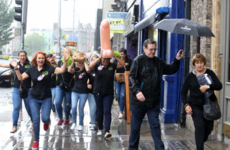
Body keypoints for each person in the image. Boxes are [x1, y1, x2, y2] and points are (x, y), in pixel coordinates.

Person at [129, 39, 184, 150]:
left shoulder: (158, 62)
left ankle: (160, 148)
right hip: (138, 102)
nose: (153, 52)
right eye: (151, 49)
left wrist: (177, 59)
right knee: (135, 128)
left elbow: (170, 69)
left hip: (153, 102)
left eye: (155, 49)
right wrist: (137, 91)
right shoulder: (138, 61)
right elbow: (132, 77)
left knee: (155, 126)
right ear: (144, 48)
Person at [10, 50, 70, 149]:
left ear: (44, 59)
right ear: (36, 59)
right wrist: (16, 68)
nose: (41, 60)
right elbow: (20, 77)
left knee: (45, 118)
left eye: (42, 58)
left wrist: (65, 62)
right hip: (34, 98)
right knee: (36, 120)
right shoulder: (31, 69)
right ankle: (36, 141)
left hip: (46, 97)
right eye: (39, 58)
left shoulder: (49, 68)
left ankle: (46, 122)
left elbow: (62, 70)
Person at [181, 53, 222, 150]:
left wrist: (207, 86)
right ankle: (199, 147)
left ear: (204, 63)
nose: (199, 65)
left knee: (208, 129)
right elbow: (183, 92)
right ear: (194, 64)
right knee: (199, 128)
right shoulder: (190, 76)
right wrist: (186, 105)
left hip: (209, 105)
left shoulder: (209, 73)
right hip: (195, 106)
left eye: (201, 62)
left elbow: (219, 86)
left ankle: (200, 140)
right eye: (197, 63)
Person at [89, 52, 125, 138]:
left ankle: (107, 131)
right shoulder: (97, 65)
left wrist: (115, 56)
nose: (105, 60)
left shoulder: (112, 66)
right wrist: (99, 58)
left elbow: (123, 64)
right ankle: (100, 129)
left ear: (109, 59)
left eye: (107, 59)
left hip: (108, 93)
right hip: (98, 92)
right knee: (100, 111)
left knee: (107, 111)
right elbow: (90, 67)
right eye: (104, 59)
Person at [0, 51, 32, 133]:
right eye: (20, 56)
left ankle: (33, 122)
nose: (22, 57)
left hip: (27, 89)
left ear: (26, 56)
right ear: (18, 56)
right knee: (16, 107)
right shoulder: (15, 64)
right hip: (17, 89)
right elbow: (3, 64)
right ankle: (14, 126)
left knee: (29, 107)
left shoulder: (30, 64)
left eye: (23, 56)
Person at [68, 58, 90, 130]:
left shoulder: (86, 70)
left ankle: (80, 123)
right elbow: (69, 70)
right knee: (73, 107)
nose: (80, 65)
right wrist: (73, 62)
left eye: (81, 63)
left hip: (84, 92)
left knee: (81, 108)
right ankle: (74, 122)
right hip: (75, 91)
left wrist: (85, 62)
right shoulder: (76, 69)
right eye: (79, 63)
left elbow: (88, 70)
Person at [55, 47, 74, 126]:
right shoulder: (60, 62)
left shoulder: (73, 63)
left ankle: (66, 118)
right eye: (64, 52)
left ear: (70, 54)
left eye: (67, 52)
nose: (65, 54)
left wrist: (72, 62)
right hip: (60, 85)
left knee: (67, 104)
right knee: (57, 103)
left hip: (69, 86)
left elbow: (72, 72)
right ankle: (60, 118)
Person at [114, 48, 132, 119]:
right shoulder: (116, 60)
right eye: (121, 54)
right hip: (117, 80)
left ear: (126, 54)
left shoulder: (129, 61)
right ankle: (122, 106)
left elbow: (132, 70)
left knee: (122, 96)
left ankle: (121, 111)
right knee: (118, 95)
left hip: (125, 80)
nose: (122, 56)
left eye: (123, 54)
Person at [87, 52, 100, 130]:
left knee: (98, 108)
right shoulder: (89, 70)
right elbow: (86, 79)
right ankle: (93, 122)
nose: (94, 61)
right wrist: (87, 84)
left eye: (96, 60)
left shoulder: (101, 68)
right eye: (92, 60)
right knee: (92, 108)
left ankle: (97, 119)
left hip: (100, 92)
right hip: (91, 92)